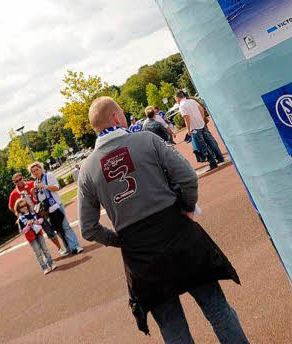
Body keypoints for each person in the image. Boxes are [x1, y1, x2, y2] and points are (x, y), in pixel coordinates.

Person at [78, 97, 247, 343]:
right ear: (115, 117)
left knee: (173, 330)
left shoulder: (87, 169)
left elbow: (88, 228)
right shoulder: (146, 140)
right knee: (218, 311)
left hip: (141, 257)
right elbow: (188, 177)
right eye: (121, 113)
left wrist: (121, 240)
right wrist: (186, 208)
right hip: (178, 234)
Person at [30, 161, 82, 256]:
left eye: (37, 169)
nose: (35, 172)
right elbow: (39, 198)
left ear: (41, 168)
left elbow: (57, 187)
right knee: (58, 229)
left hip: (56, 206)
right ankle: (68, 248)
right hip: (47, 210)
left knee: (65, 226)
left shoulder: (48, 175)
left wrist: (44, 186)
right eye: (33, 171)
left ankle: (76, 246)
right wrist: (34, 194)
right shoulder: (35, 183)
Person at [8, 172, 64, 254]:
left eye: (20, 179)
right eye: (16, 181)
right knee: (36, 237)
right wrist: (20, 214)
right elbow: (11, 206)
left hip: (38, 212)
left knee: (49, 230)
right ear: (14, 183)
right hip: (29, 218)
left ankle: (60, 248)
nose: (19, 182)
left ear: (23, 177)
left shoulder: (31, 183)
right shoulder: (14, 194)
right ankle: (45, 255)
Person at [176, 90, 225, 169]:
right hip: (202, 125)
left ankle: (212, 163)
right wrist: (201, 119)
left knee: (203, 146)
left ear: (177, 98)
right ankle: (220, 157)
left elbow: (186, 118)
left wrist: (188, 129)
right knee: (210, 141)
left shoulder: (182, 105)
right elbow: (201, 108)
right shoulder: (191, 101)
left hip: (194, 128)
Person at [14, 199, 56, 274]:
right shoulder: (20, 219)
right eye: (22, 207)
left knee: (45, 248)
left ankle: (51, 262)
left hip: (39, 233)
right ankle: (44, 267)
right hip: (31, 237)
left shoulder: (33, 212)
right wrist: (28, 225)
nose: (25, 207)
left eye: (25, 205)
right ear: (19, 209)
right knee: (38, 252)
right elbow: (22, 231)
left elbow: (41, 220)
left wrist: (37, 222)